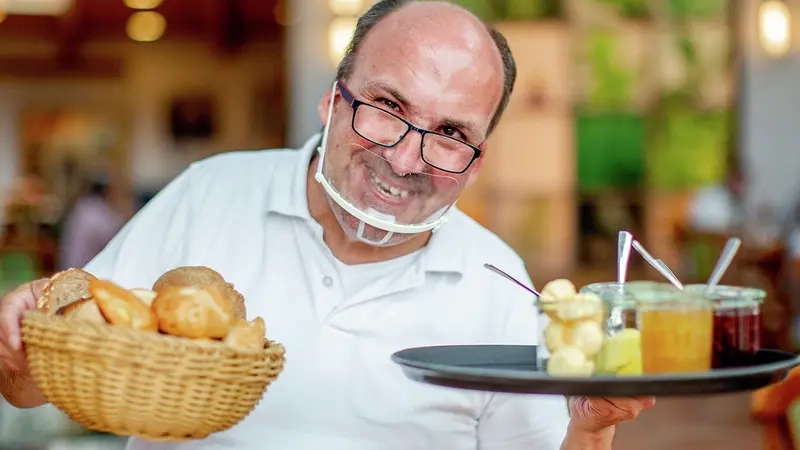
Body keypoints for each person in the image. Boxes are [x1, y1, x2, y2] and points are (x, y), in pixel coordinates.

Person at [0, 1, 653, 449]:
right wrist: (18, 343)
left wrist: (590, 429)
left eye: (450, 135)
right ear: (332, 100)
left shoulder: (500, 283)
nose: (405, 160)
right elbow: (31, 386)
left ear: (478, 161)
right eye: (387, 107)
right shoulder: (209, 193)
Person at [58, 178, 124, 270]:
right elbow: (114, 234)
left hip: (69, 264)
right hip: (84, 266)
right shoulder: (94, 210)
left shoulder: (81, 207)